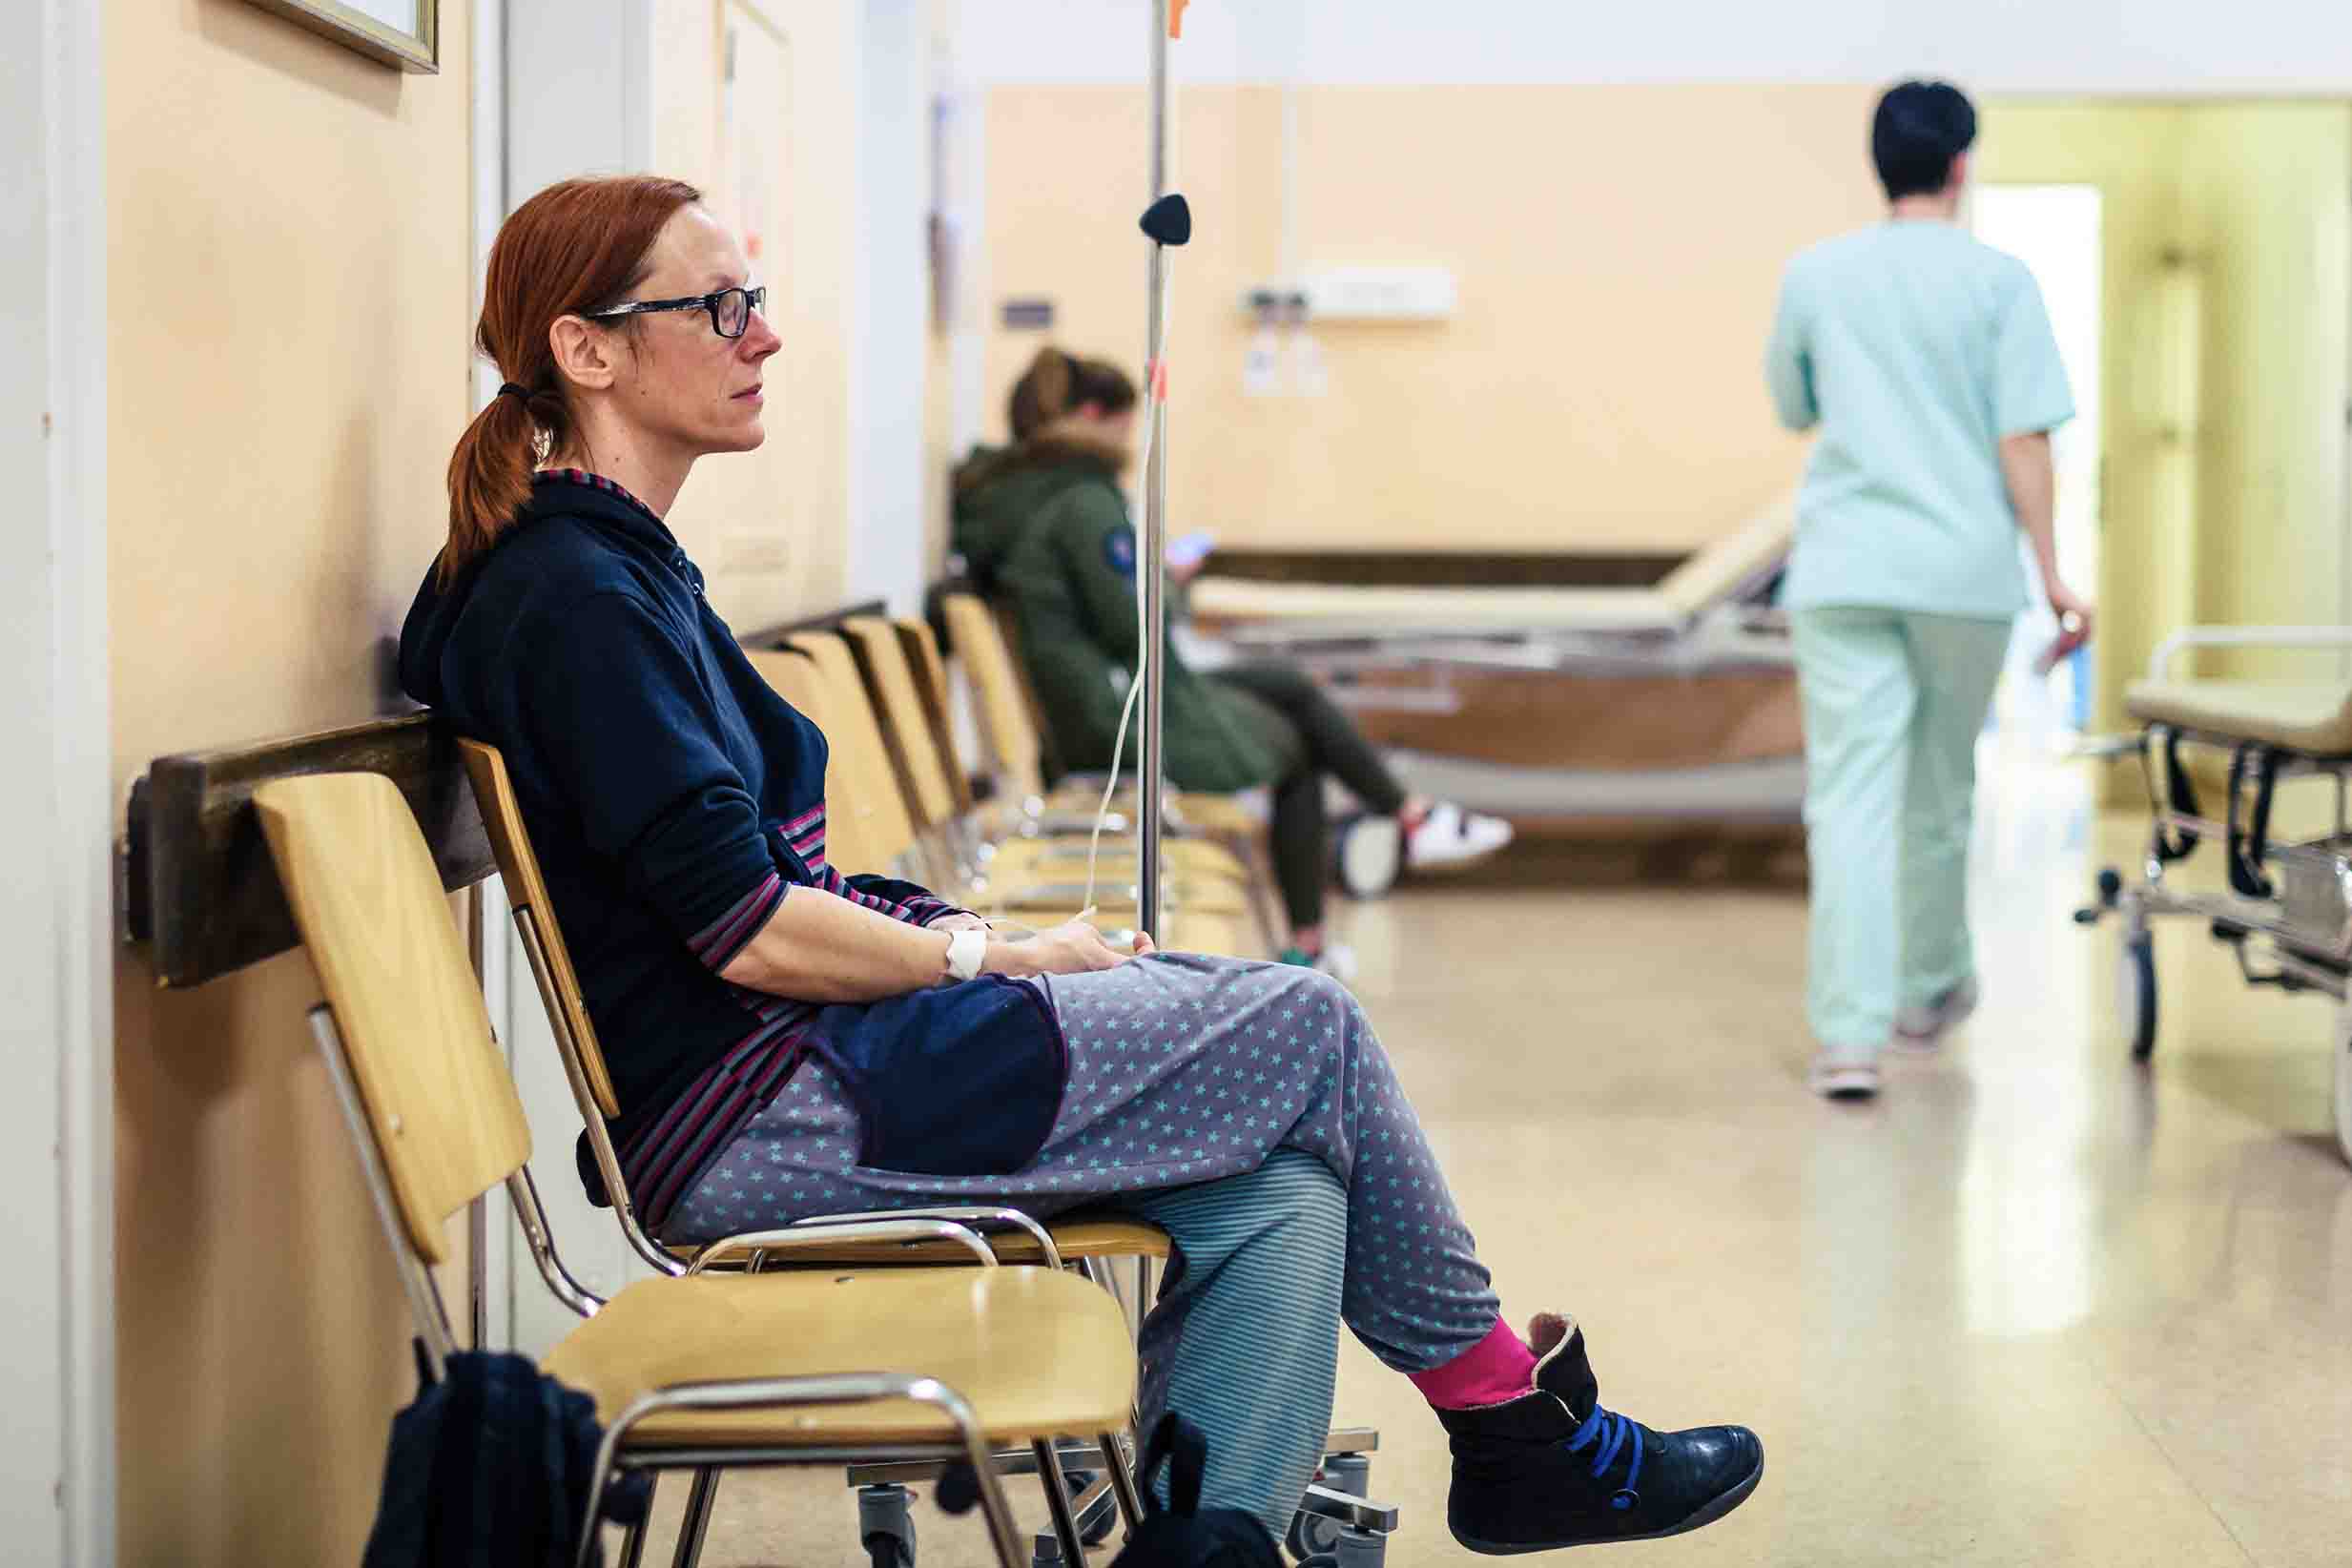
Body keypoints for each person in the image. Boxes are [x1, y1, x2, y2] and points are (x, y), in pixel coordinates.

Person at [401, 175, 1762, 1554]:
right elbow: (744, 929)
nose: (762, 337)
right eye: (720, 306)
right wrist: (987, 953)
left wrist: (960, 933)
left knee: (1285, 1191)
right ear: (588, 351)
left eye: (756, 303)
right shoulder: (575, 600)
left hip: (805, 1073)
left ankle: (1210, 1538)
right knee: (1308, 1024)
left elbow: (741, 888)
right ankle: (1510, 1432)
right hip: (767, 1117)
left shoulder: (612, 575)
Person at [951, 348, 1512, 972]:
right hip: (1113, 725)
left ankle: (1403, 824)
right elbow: (1134, 627)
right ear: (1093, 416)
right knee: (1299, 746)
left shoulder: (1021, 499)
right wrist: (1166, 583)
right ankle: (1331, 919)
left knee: (1288, 688)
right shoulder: (1083, 503)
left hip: (1095, 702)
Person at [1764, 80, 2093, 1100]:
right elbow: (2022, 437)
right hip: (1962, 576)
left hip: (1845, 570)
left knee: (1850, 796)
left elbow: (1793, 403)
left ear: (1883, 165)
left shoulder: (1816, 275)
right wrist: (2053, 574)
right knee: (1939, 792)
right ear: (1961, 164)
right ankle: (1927, 989)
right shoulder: (2001, 282)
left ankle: (1847, 1040)